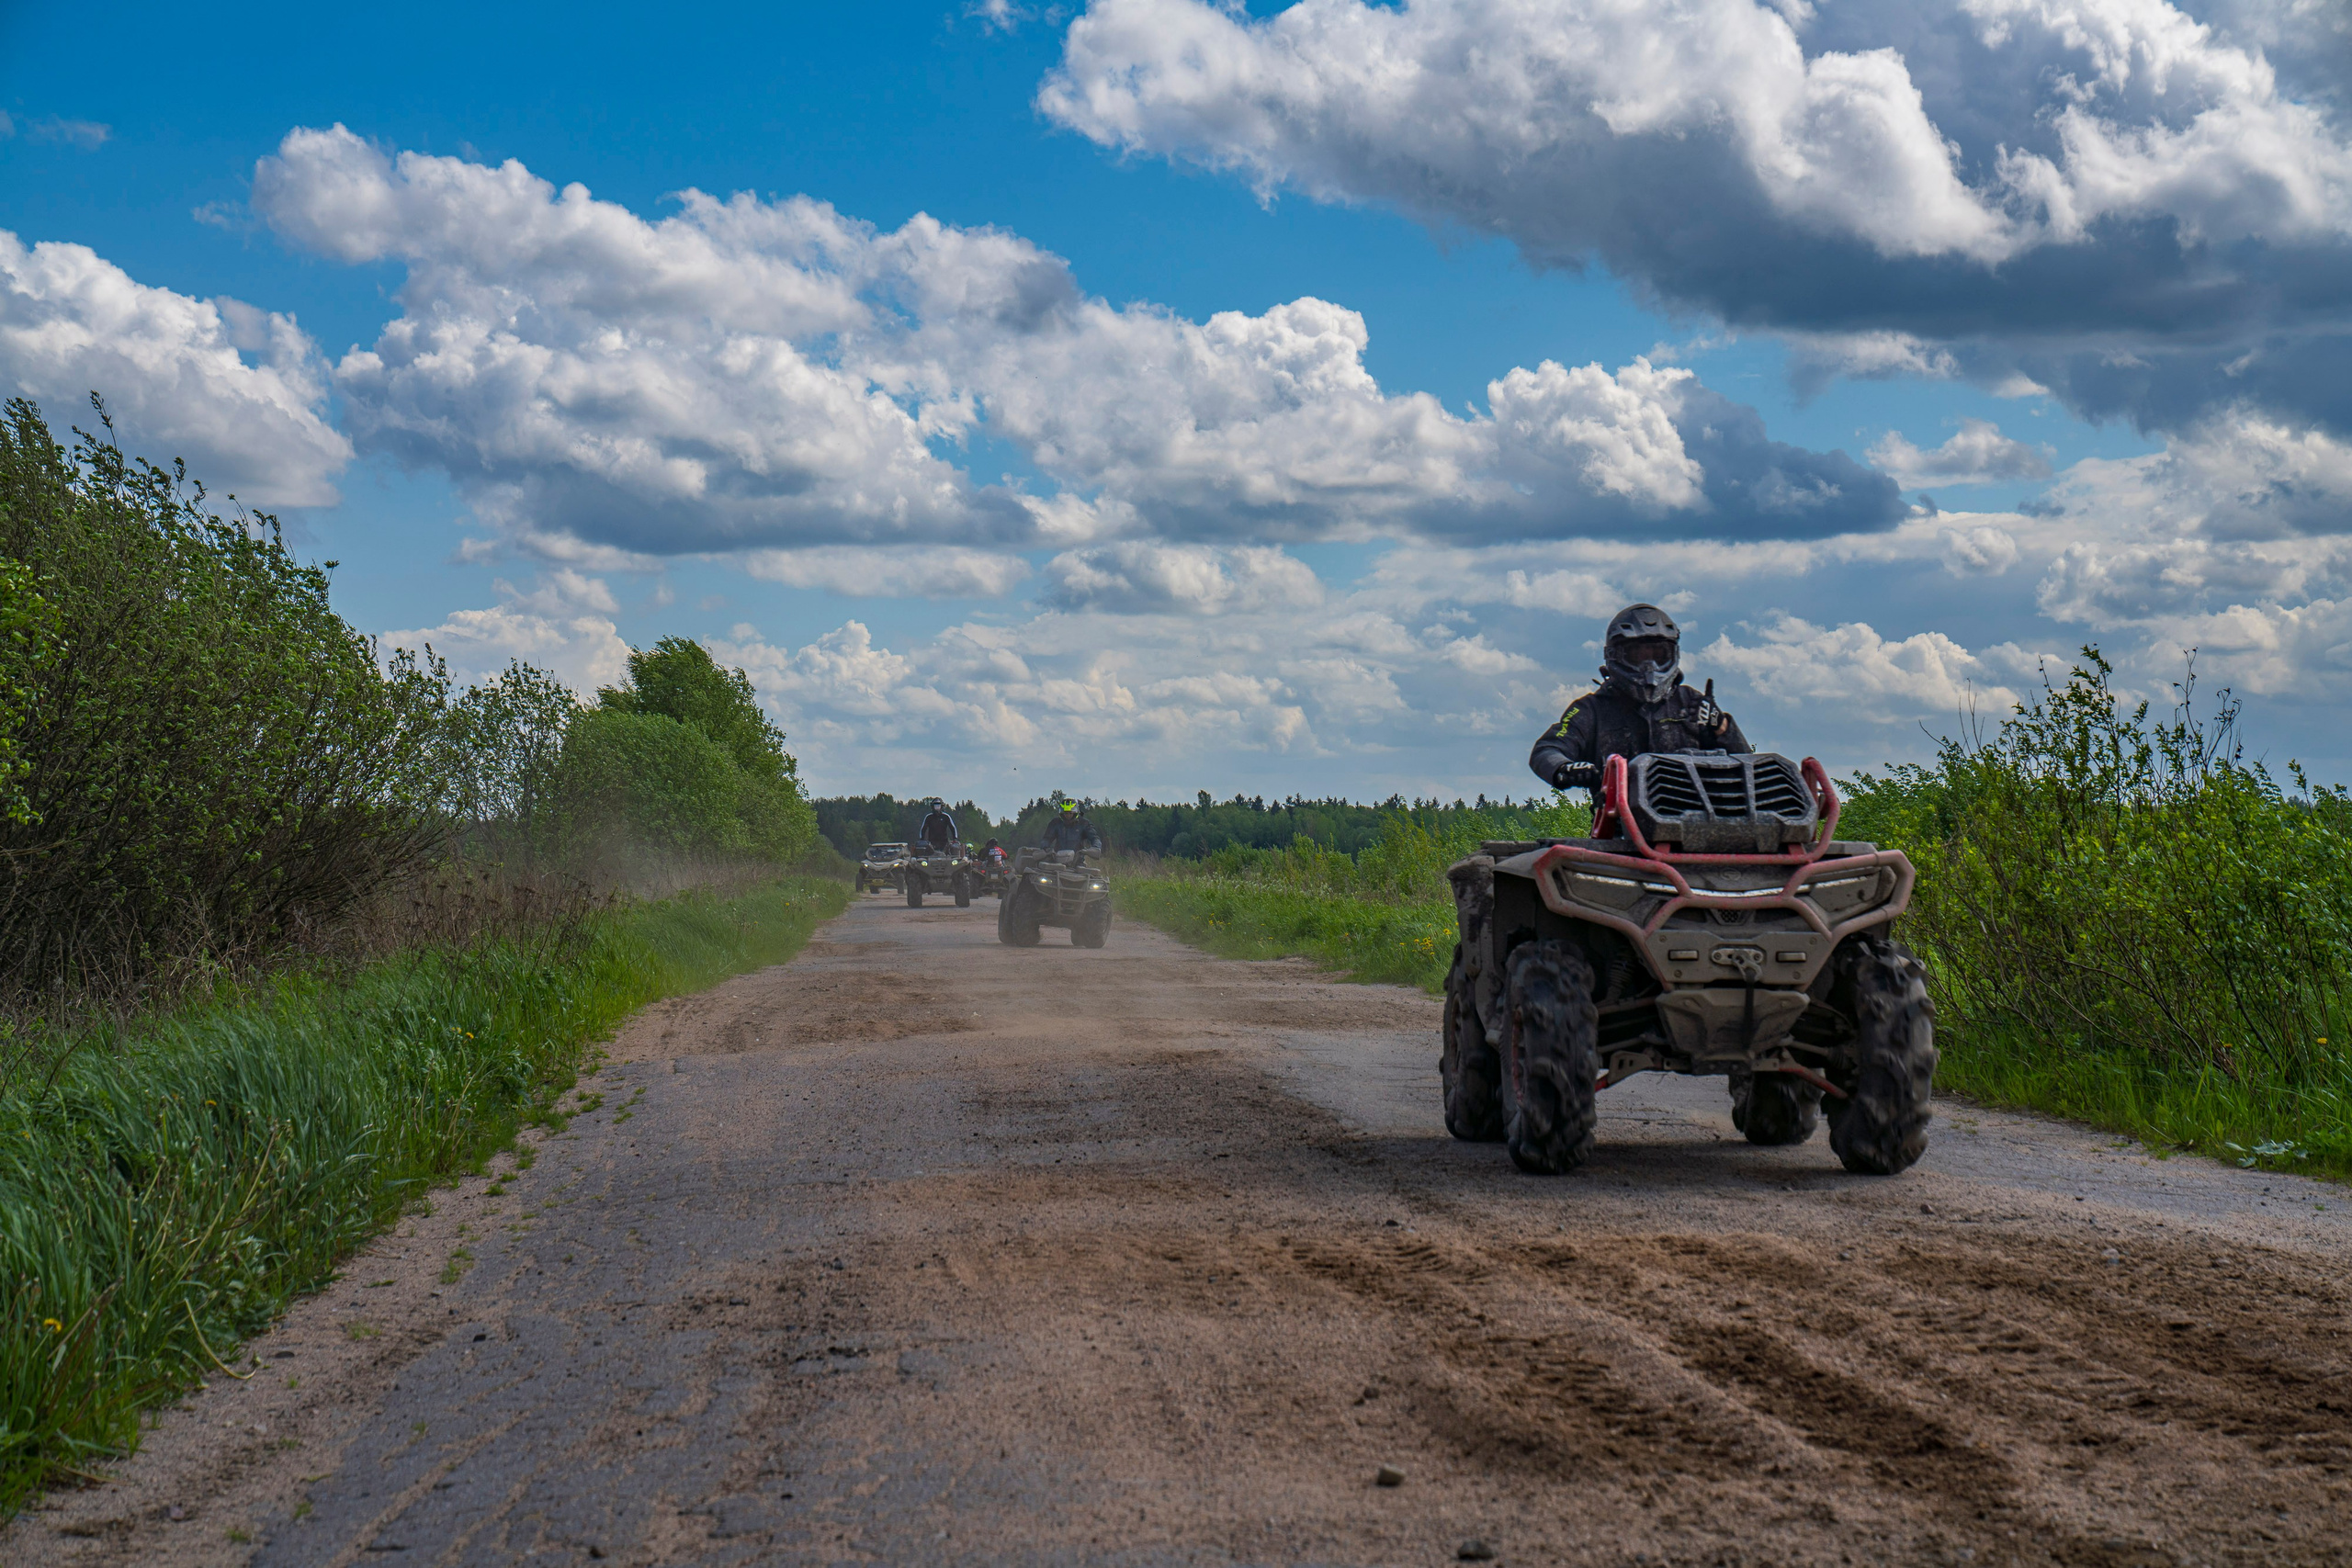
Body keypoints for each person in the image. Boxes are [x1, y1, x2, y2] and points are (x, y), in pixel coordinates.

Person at [1528, 604, 1749, 799]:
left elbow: (1748, 766)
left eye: (1658, 655)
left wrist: (1722, 726)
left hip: (1701, 826)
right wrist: (1565, 769)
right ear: (1614, 655)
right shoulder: (1591, 709)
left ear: (1673, 655)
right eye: (1638, 655)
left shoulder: (1692, 702)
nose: (1649, 667)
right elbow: (1546, 750)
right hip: (1619, 832)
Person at [1035, 798, 1103, 860]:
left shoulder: (1084, 823)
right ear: (1062, 813)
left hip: (1077, 861)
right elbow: (1046, 839)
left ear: (1075, 813)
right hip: (1056, 859)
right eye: (1065, 813)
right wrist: (1046, 848)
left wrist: (1095, 848)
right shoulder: (1055, 823)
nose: (1068, 815)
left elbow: (1094, 838)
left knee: (1093, 873)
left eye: (1070, 813)